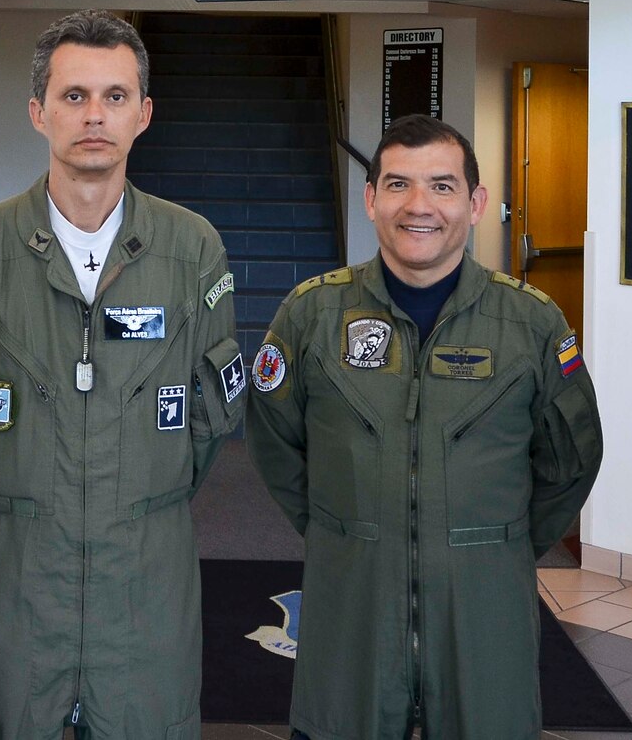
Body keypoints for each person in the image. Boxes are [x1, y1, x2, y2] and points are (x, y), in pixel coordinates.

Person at [0, 9, 244, 739]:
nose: (95, 115)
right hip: (11, 574)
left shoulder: (193, 249)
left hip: (143, 576)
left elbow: (210, 417)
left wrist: (135, 493)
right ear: (38, 111)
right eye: (74, 95)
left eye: (116, 96)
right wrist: (14, 500)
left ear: (144, 113)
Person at [247, 114, 603, 740]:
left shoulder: (531, 324)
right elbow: (276, 440)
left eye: (441, 186)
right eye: (397, 185)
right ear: (370, 199)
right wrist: (345, 526)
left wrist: (497, 539)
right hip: (352, 603)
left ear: (475, 201)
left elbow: (571, 456)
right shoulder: (312, 315)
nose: (419, 206)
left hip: (483, 609)